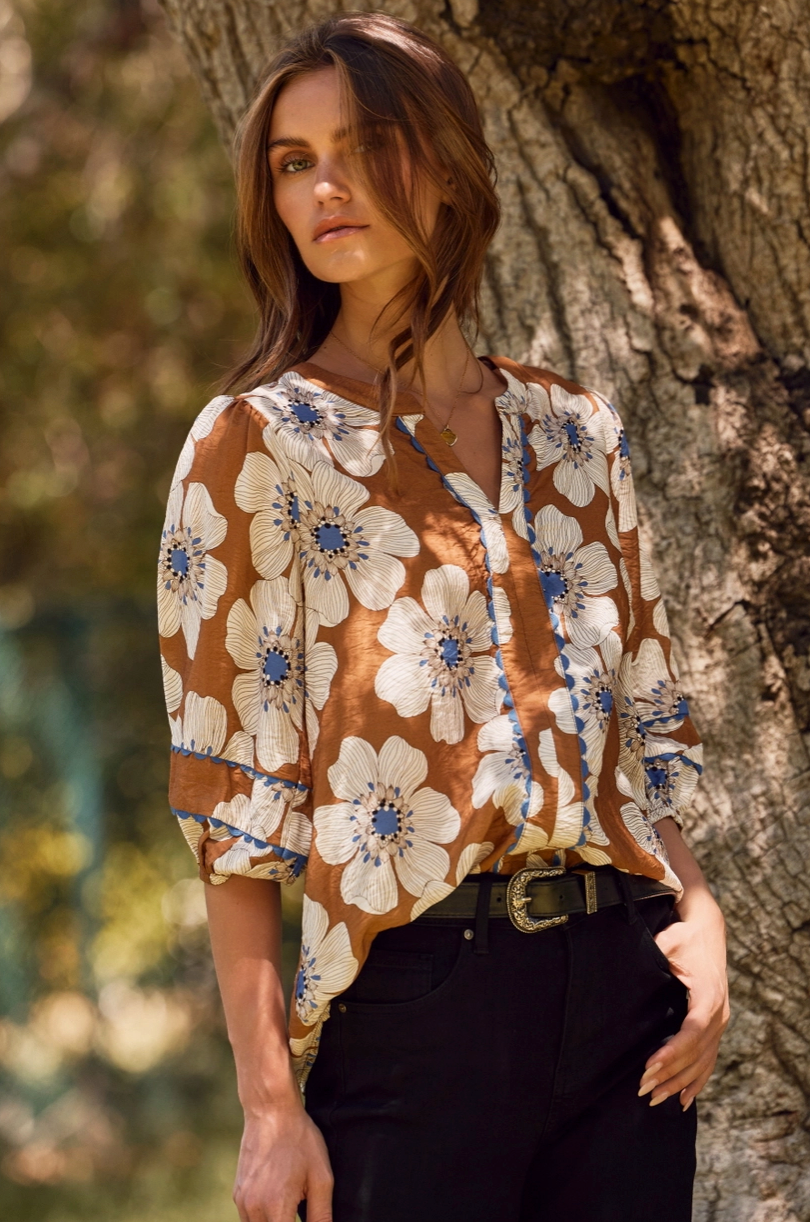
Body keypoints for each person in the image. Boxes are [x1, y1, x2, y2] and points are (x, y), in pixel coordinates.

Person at [157, 11, 729, 1222]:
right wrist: (271, 1107)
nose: (327, 187)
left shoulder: (576, 435)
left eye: (364, 146)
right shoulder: (258, 448)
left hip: (630, 1005)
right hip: (421, 1008)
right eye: (295, 162)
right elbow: (233, 817)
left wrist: (704, 926)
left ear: (449, 165)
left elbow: (646, 746)